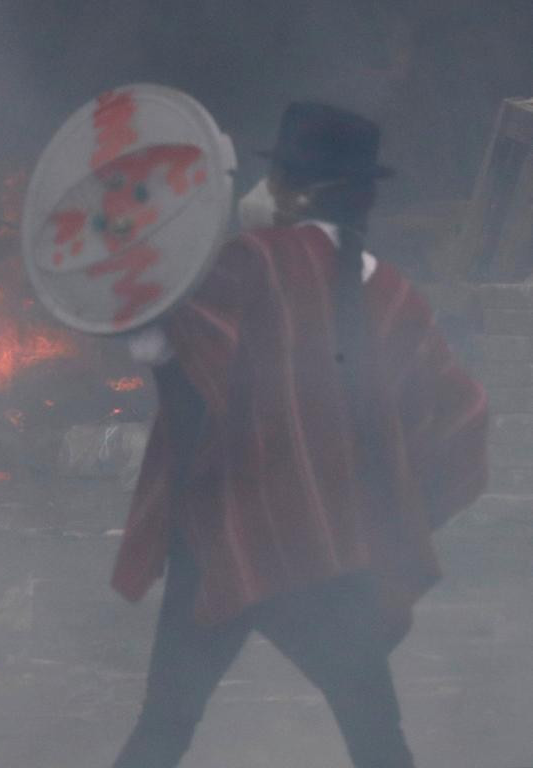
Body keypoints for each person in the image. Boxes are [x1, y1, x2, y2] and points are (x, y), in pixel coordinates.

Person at [111, 102, 489, 768]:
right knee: (377, 739)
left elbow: (172, 357)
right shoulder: (397, 293)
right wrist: (401, 514)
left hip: (224, 541)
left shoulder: (252, 259)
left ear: (295, 188)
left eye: (279, 176)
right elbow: (463, 415)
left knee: (163, 731)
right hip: (330, 549)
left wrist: (129, 284)